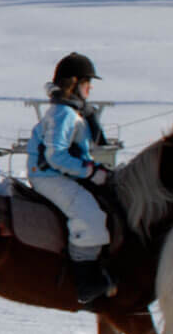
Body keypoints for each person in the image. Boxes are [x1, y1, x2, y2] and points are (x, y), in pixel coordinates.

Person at [27, 53, 115, 304]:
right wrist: (90, 172)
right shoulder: (64, 114)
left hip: (62, 173)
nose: (91, 87)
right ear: (75, 83)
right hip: (49, 176)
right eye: (88, 82)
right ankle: (84, 280)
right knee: (90, 215)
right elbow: (56, 156)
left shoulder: (73, 111)